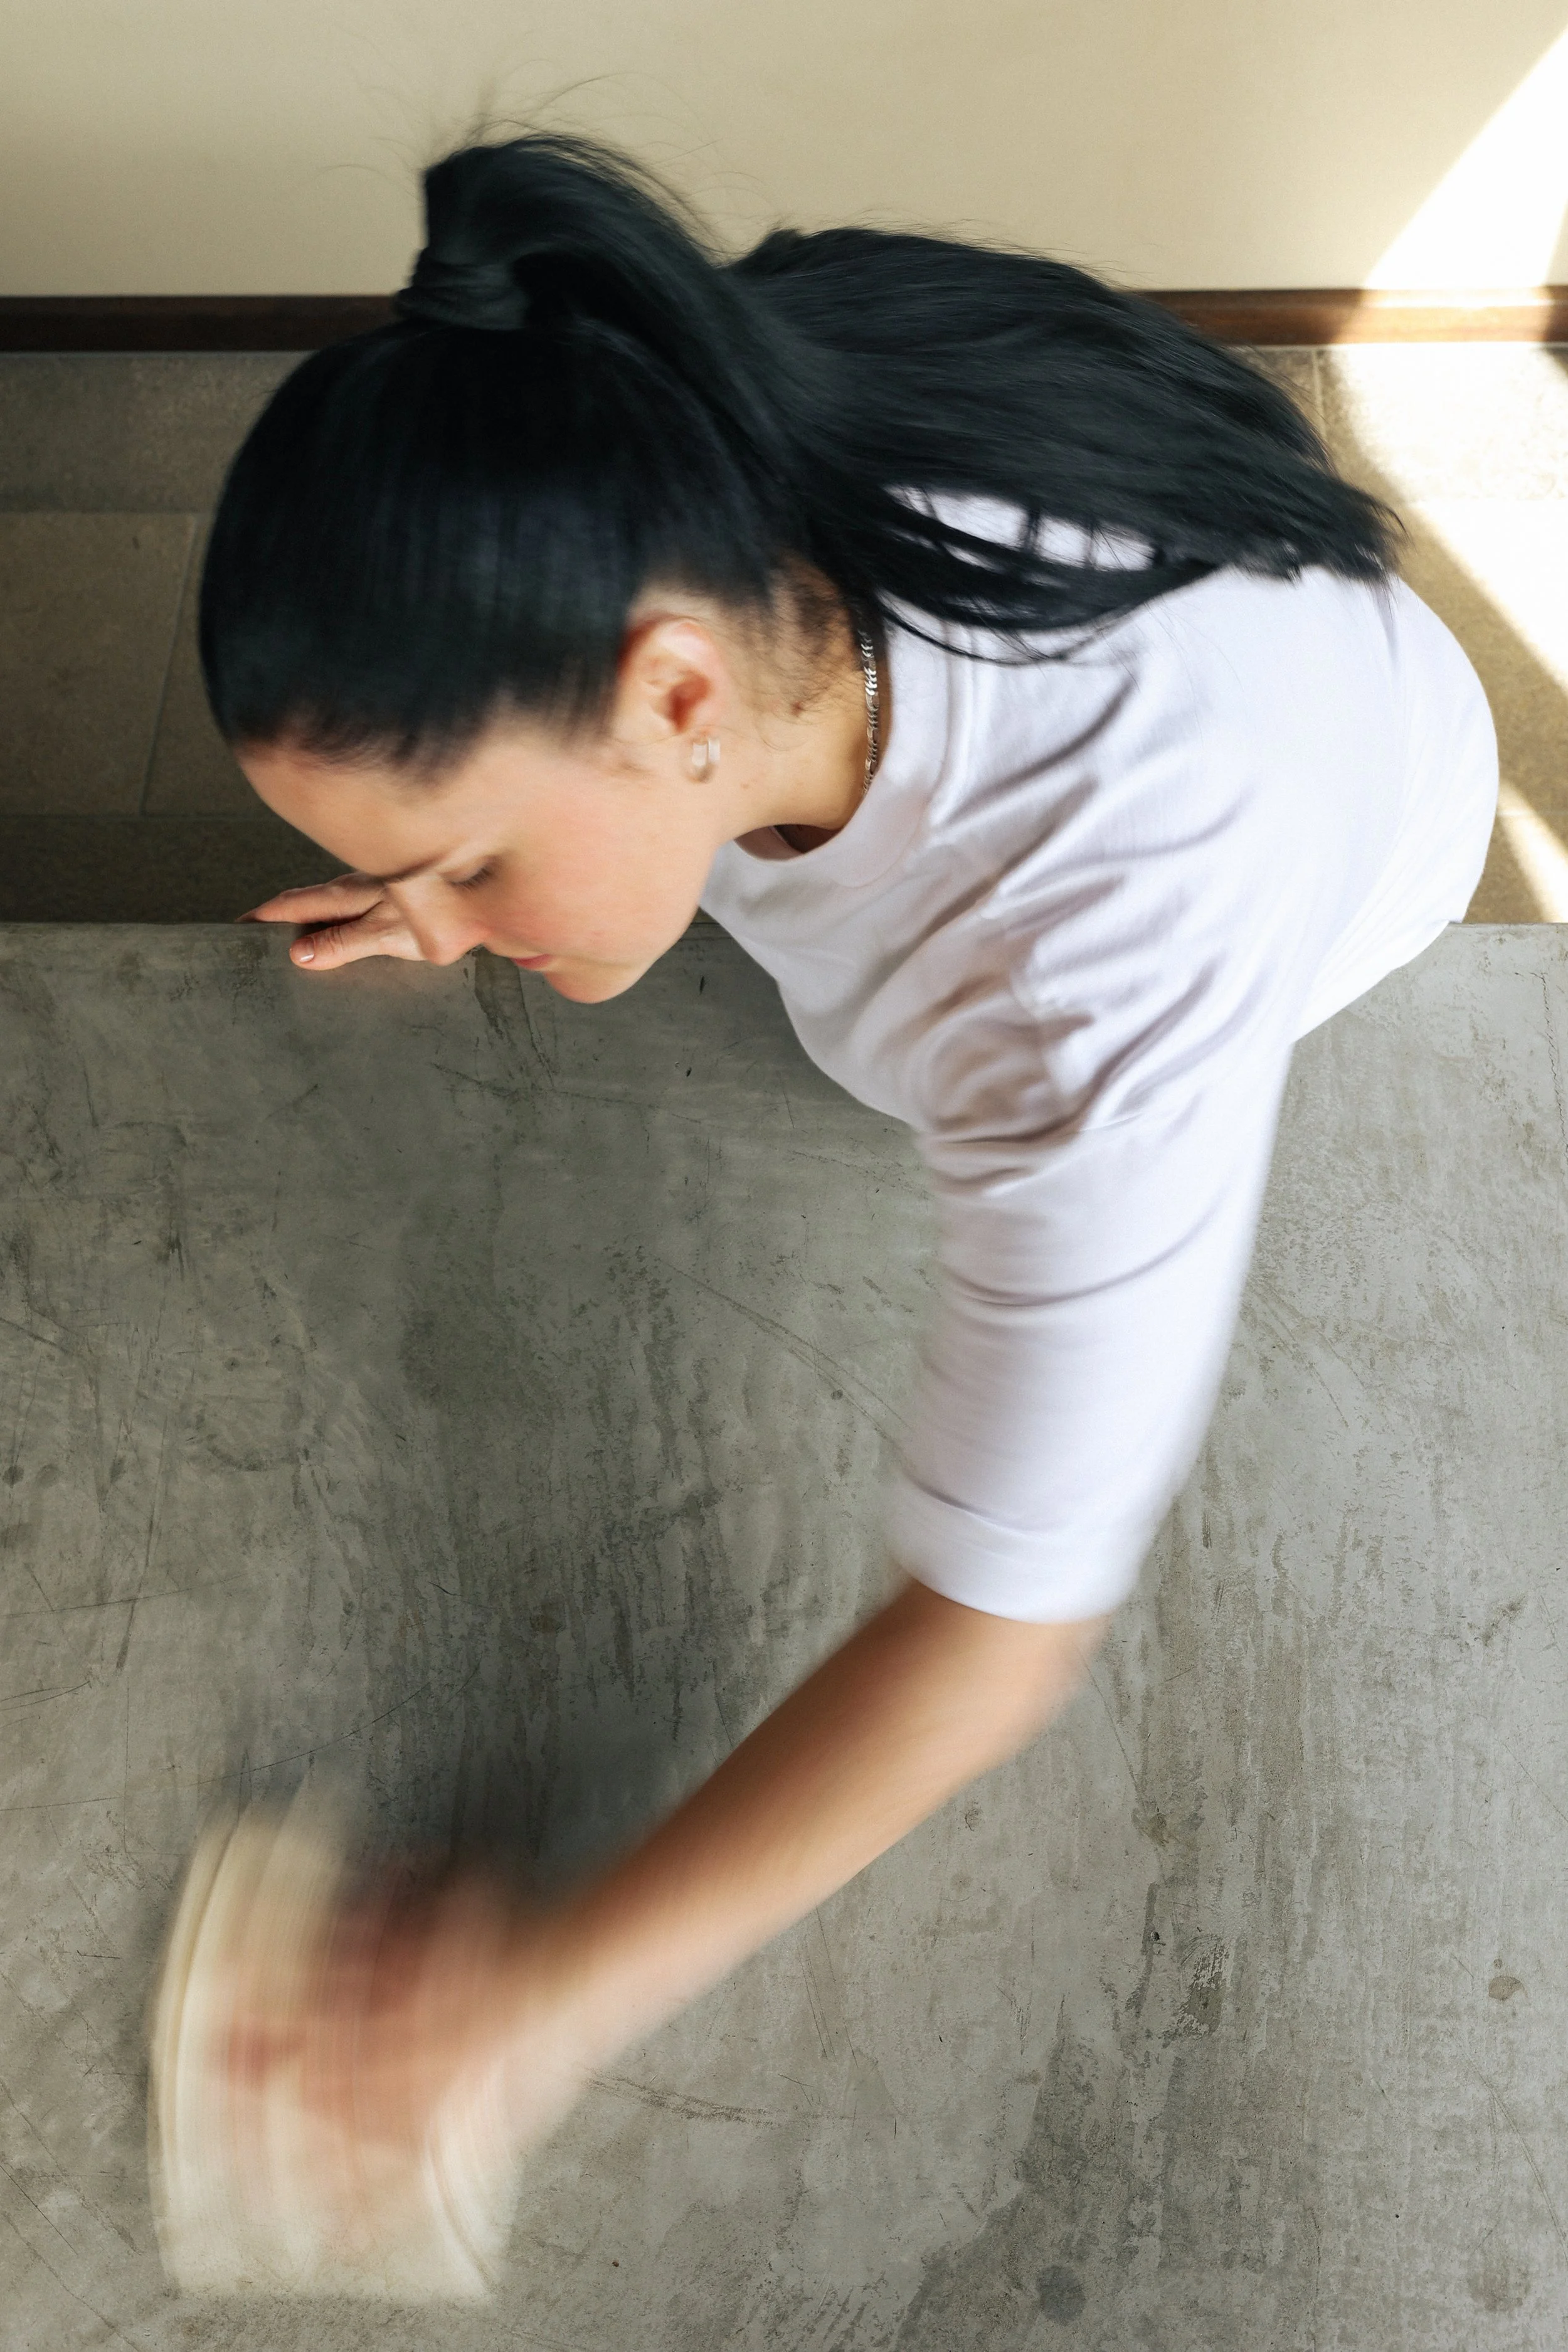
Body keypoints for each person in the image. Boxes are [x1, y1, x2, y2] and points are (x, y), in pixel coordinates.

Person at [208, 136, 1498, 2185]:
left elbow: (996, 1624)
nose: (439, 919)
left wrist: (523, 2011)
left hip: (1327, 858)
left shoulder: (1096, 971)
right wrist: (474, 882)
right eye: (402, 867)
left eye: (461, 856)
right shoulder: (682, 429)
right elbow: (615, 808)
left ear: (679, 691)